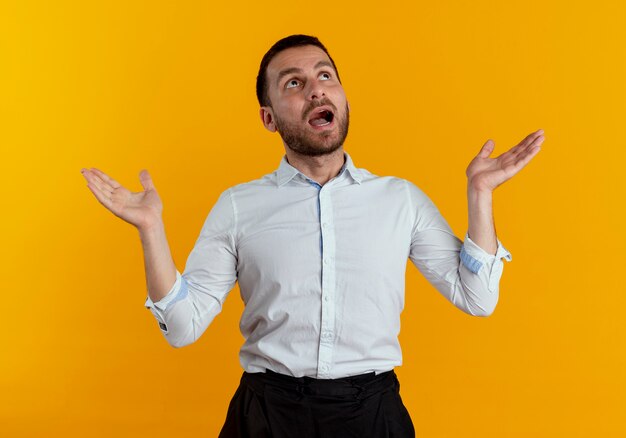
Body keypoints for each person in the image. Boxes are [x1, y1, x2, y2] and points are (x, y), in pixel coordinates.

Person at [81, 34, 544, 437]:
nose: (316, 89)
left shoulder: (400, 200)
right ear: (268, 119)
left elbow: (477, 297)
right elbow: (183, 328)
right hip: (267, 414)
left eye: (326, 76)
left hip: (372, 414)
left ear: (341, 96)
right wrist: (151, 230)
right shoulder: (239, 206)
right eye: (294, 83)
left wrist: (480, 194)